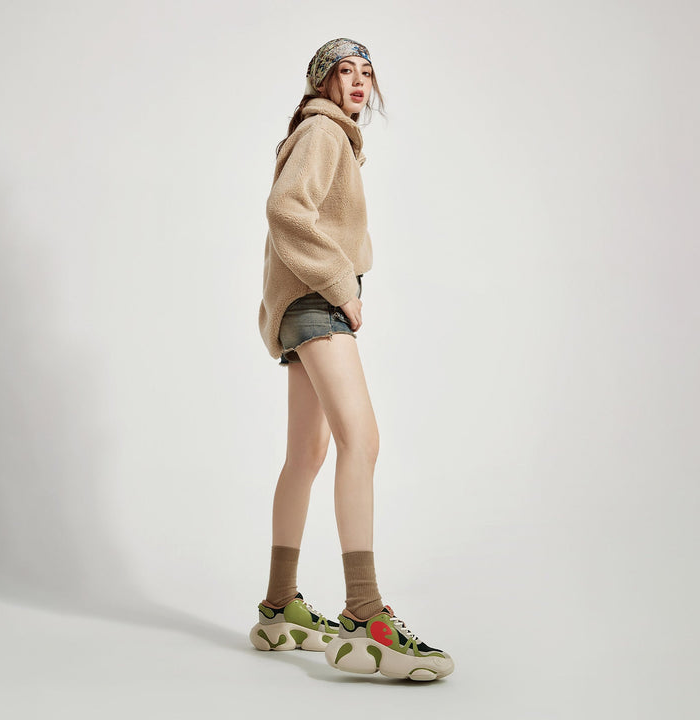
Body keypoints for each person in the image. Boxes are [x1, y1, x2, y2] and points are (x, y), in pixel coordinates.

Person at [250, 38, 454, 682]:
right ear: (322, 81)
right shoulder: (323, 131)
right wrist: (341, 285)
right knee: (360, 441)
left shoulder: (328, 133)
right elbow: (285, 209)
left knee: (306, 455)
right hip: (317, 301)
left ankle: (279, 606)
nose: (359, 81)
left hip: (302, 303)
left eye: (367, 72)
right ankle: (364, 614)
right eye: (346, 71)